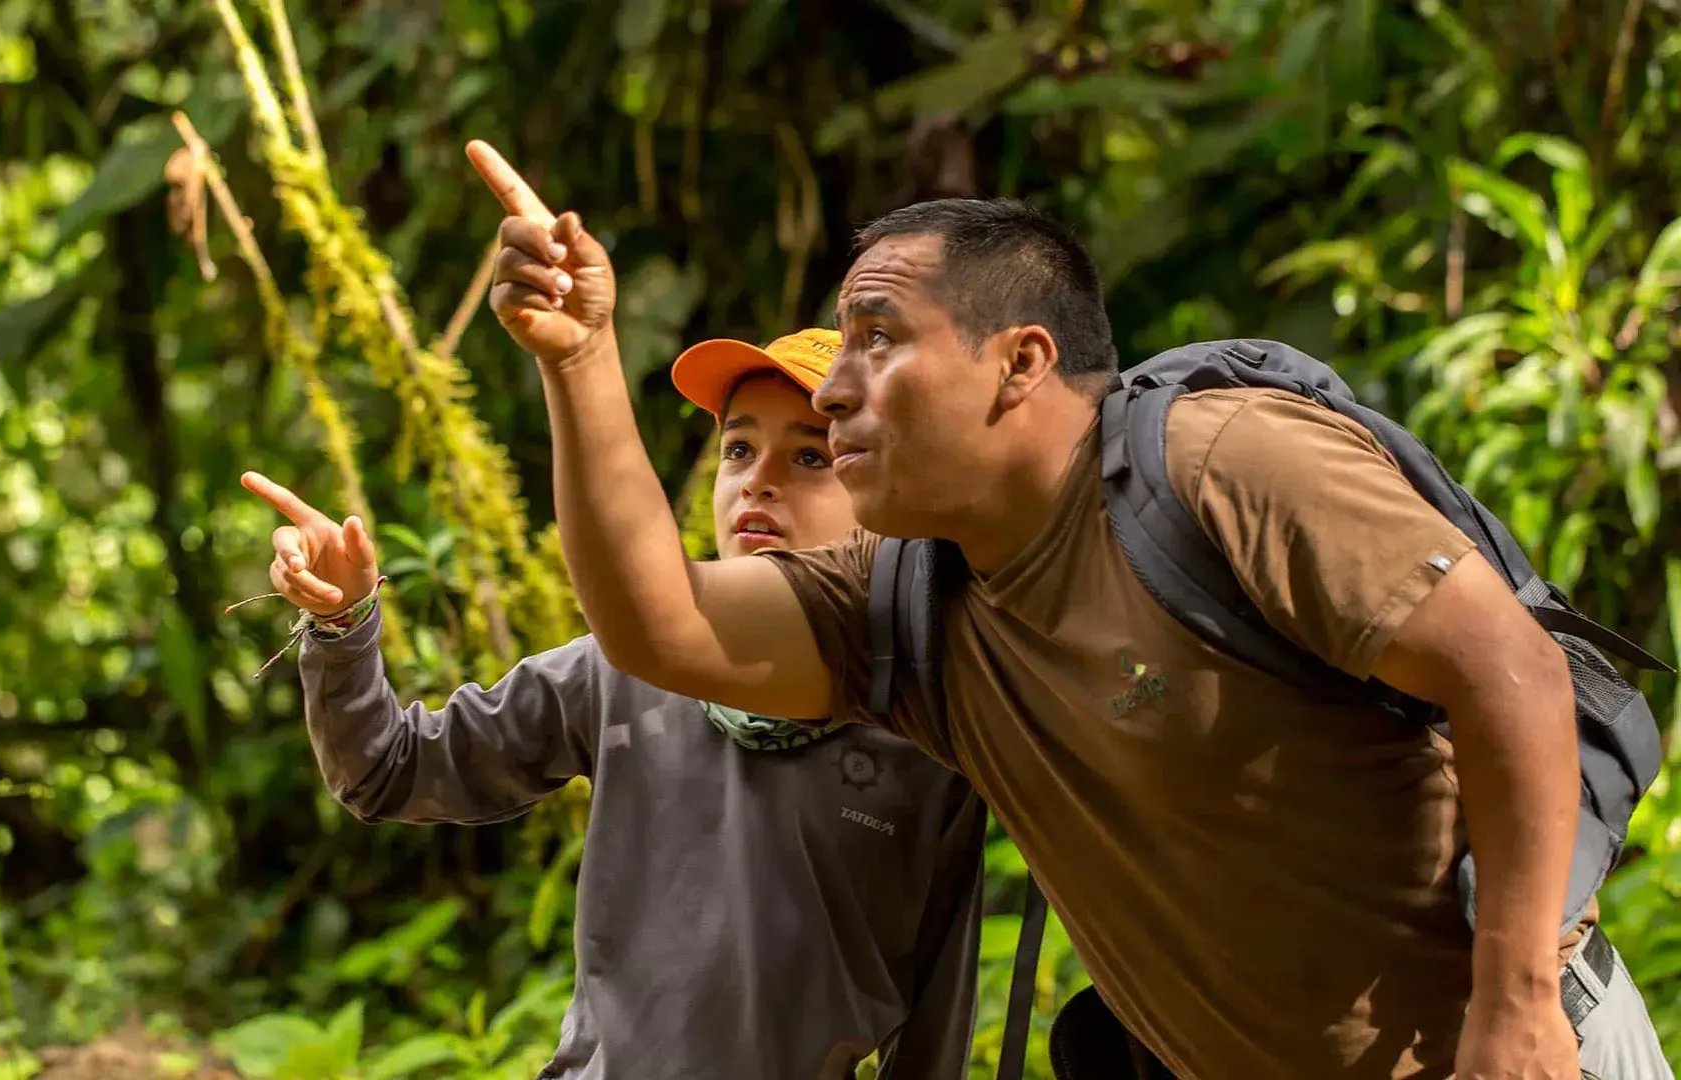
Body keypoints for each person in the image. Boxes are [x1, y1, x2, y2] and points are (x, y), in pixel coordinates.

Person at [468, 137, 1670, 1080]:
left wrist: (1513, 1008)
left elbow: (1509, 669)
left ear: (1021, 364)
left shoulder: (1221, 462)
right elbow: (659, 627)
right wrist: (579, 362)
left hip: (1514, 1054)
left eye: (876, 339)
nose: (834, 391)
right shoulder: (910, 605)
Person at [237, 325, 987, 1080]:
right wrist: (344, 622)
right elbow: (388, 770)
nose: (757, 481)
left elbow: (935, 1013)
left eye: (811, 456)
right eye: (737, 449)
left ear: (885, 499)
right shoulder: (628, 664)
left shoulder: (927, 720)